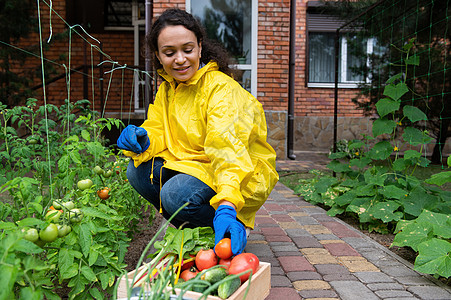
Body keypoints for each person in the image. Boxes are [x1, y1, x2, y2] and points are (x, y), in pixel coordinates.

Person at [117, 8, 278, 255]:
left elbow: (228, 151)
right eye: (169, 53)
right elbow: (159, 128)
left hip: (239, 171)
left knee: (175, 194)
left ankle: (231, 224)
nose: (180, 59)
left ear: (200, 48)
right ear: (159, 56)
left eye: (187, 50)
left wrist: (227, 204)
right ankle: (195, 232)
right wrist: (144, 138)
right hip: (196, 165)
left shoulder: (221, 90)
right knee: (138, 171)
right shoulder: (168, 89)